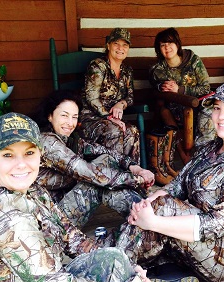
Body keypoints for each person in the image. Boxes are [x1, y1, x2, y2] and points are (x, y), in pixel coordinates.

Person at [0, 112, 151, 282]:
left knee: (114, 259)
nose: (21, 164)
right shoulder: (2, 212)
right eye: (8, 155)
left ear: (40, 153)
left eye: (29, 153)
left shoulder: (34, 191)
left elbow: (71, 238)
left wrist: (130, 269)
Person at [108, 81, 224, 282]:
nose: (221, 116)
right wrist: (149, 203)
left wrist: (154, 220)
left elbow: (217, 225)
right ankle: (120, 259)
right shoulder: (211, 148)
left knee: (161, 212)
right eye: (217, 108)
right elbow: (177, 184)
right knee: (140, 202)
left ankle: (112, 272)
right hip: (208, 243)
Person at [34, 90, 155, 228]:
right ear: (50, 116)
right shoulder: (47, 142)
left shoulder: (71, 141)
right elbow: (86, 171)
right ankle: (146, 214)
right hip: (52, 221)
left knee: (105, 160)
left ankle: (145, 213)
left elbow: (106, 152)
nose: (70, 123)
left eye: (74, 117)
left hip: (64, 207)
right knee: (96, 178)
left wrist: (135, 168)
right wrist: (135, 179)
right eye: (64, 116)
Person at [149, 27, 213, 164]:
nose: (167, 47)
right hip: (175, 109)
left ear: (177, 44)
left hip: (199, 105)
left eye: (170, 43)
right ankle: (187, 159)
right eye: (162, 45)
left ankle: (206, 159)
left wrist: (180, 89)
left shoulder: (193, 61)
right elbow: (155, 84)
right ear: (158, 49)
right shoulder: (157, 70)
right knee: (165, 112)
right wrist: (161, 86)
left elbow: (205, 88)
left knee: (209, 114)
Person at [79, 28, 141, 163]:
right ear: (108, 45)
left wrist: (121, 104)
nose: (120, 48)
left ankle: (132, 174)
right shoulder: (98, 66)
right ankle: (112, 175)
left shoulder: (127, 71)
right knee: (115, 130)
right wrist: (109, 117)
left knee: (133, 131)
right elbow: (92, 98)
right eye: (116, 44)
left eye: (125, 45)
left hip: (113, 120)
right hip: (91, 118)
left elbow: (130, 97)